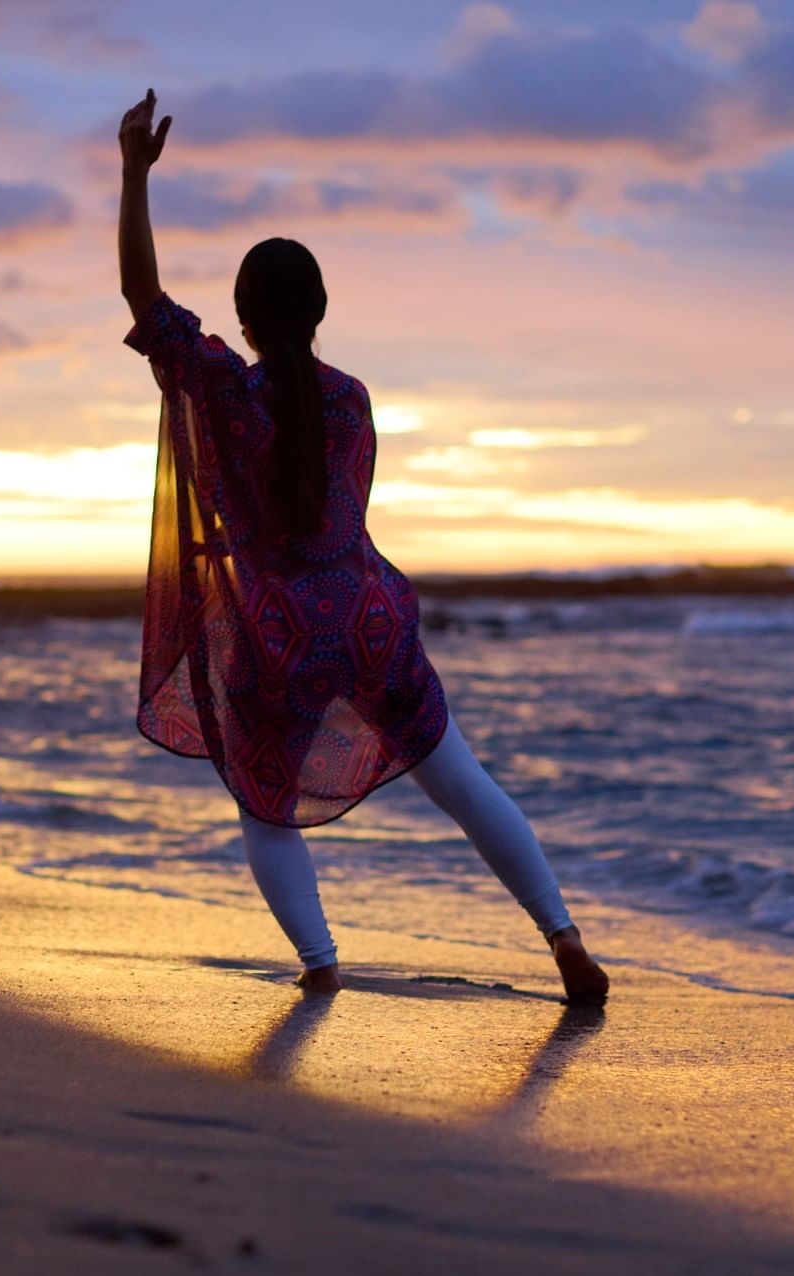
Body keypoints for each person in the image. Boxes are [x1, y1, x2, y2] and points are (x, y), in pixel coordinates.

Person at [116, 89, 609, 1005]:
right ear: (322, 310)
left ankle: (322, 964)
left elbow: (143, 298)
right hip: (372, 612)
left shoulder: (227, 390)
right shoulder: (354, 398)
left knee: (265, 804)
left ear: (245, 317)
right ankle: (565, 938)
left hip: (278, 636)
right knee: (460, 779)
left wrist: (133, 174)